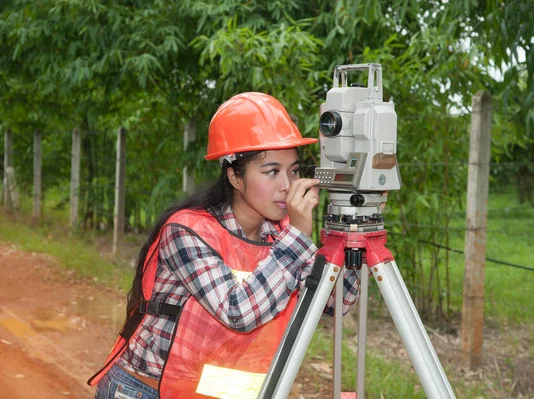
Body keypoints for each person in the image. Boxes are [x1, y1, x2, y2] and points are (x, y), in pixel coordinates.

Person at [89, 92, 360, 399]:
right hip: (145, 390)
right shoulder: (187, 231)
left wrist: (347, 229)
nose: (287, 184)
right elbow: (238, 312)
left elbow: (339, 301)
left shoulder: (280, 236)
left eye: (293, 170)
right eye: (272, 171)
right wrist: (297, 237)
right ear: (234, 176)